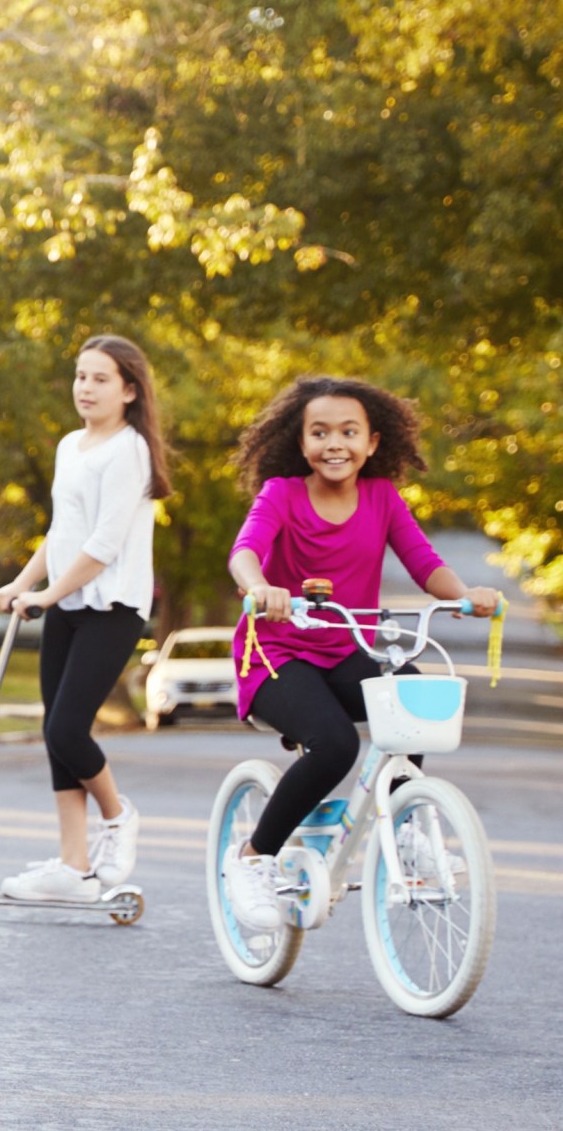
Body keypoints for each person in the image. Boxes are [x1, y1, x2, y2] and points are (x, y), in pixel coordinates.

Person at [221, 376, 500, 930]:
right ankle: (253, 859)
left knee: (412, 695)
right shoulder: (282, 493)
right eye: (319, 432)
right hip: (275, 652)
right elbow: (245, 550)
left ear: (373, 442)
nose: (335, 444)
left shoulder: (381, 499)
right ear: (301, 444)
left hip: (345, 647)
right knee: (335, 745)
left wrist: (465, 596)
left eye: (349, 432)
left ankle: (408, 831)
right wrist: (259, 588)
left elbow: (425, 564)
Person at [0, 334, 168, 902]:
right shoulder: (71, 445)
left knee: (68, 727)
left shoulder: (130, 449)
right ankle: (74, 867)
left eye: (99, 379)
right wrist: (24, 583)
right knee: (54, 735)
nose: (85, 388)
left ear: (130, 390)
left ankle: (118, 817)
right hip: (66, 604)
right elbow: (63, 533)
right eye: (80, 376)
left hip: (111, 608)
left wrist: (47, 594)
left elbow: (105, 544)